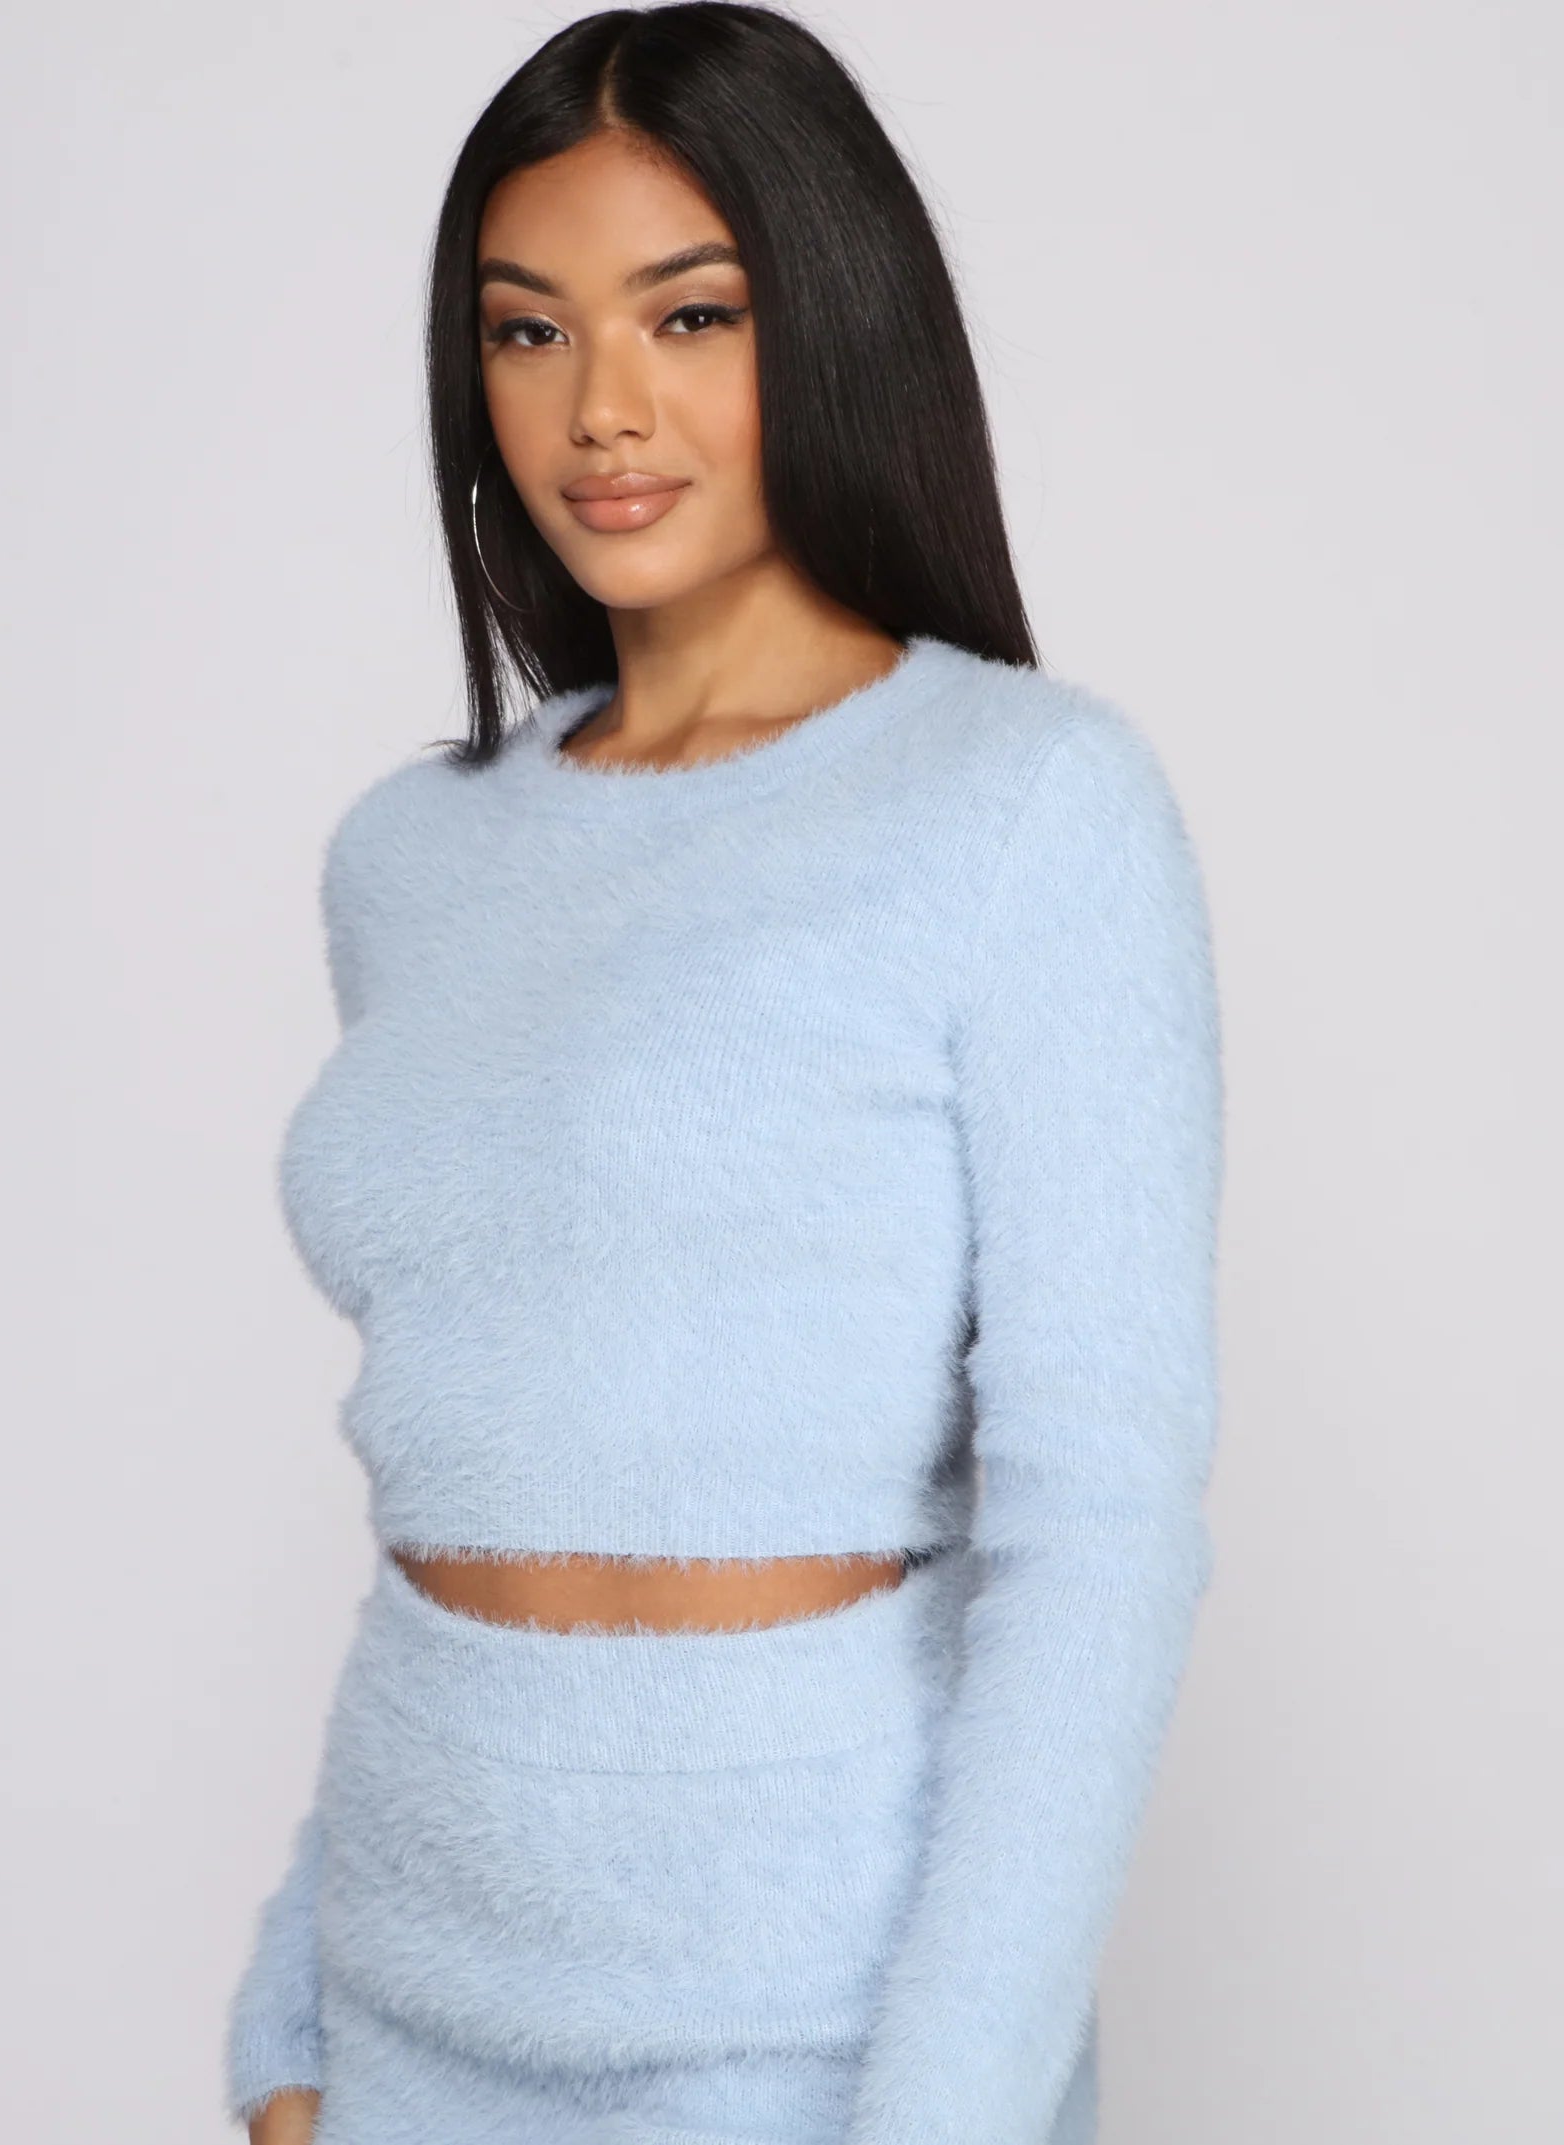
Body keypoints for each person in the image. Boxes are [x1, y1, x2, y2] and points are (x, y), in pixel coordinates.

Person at [221, 8, 1225, 2141]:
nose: (601, 406)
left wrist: (941, 2111)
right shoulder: (412, 858)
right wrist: (289, 2021)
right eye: (527, 330)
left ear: (832, 319)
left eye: (690, 314)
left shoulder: (1022, 805)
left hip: (808, 2038)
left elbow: (1099, 1528)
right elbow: (461, 1455)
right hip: (402, 2011)